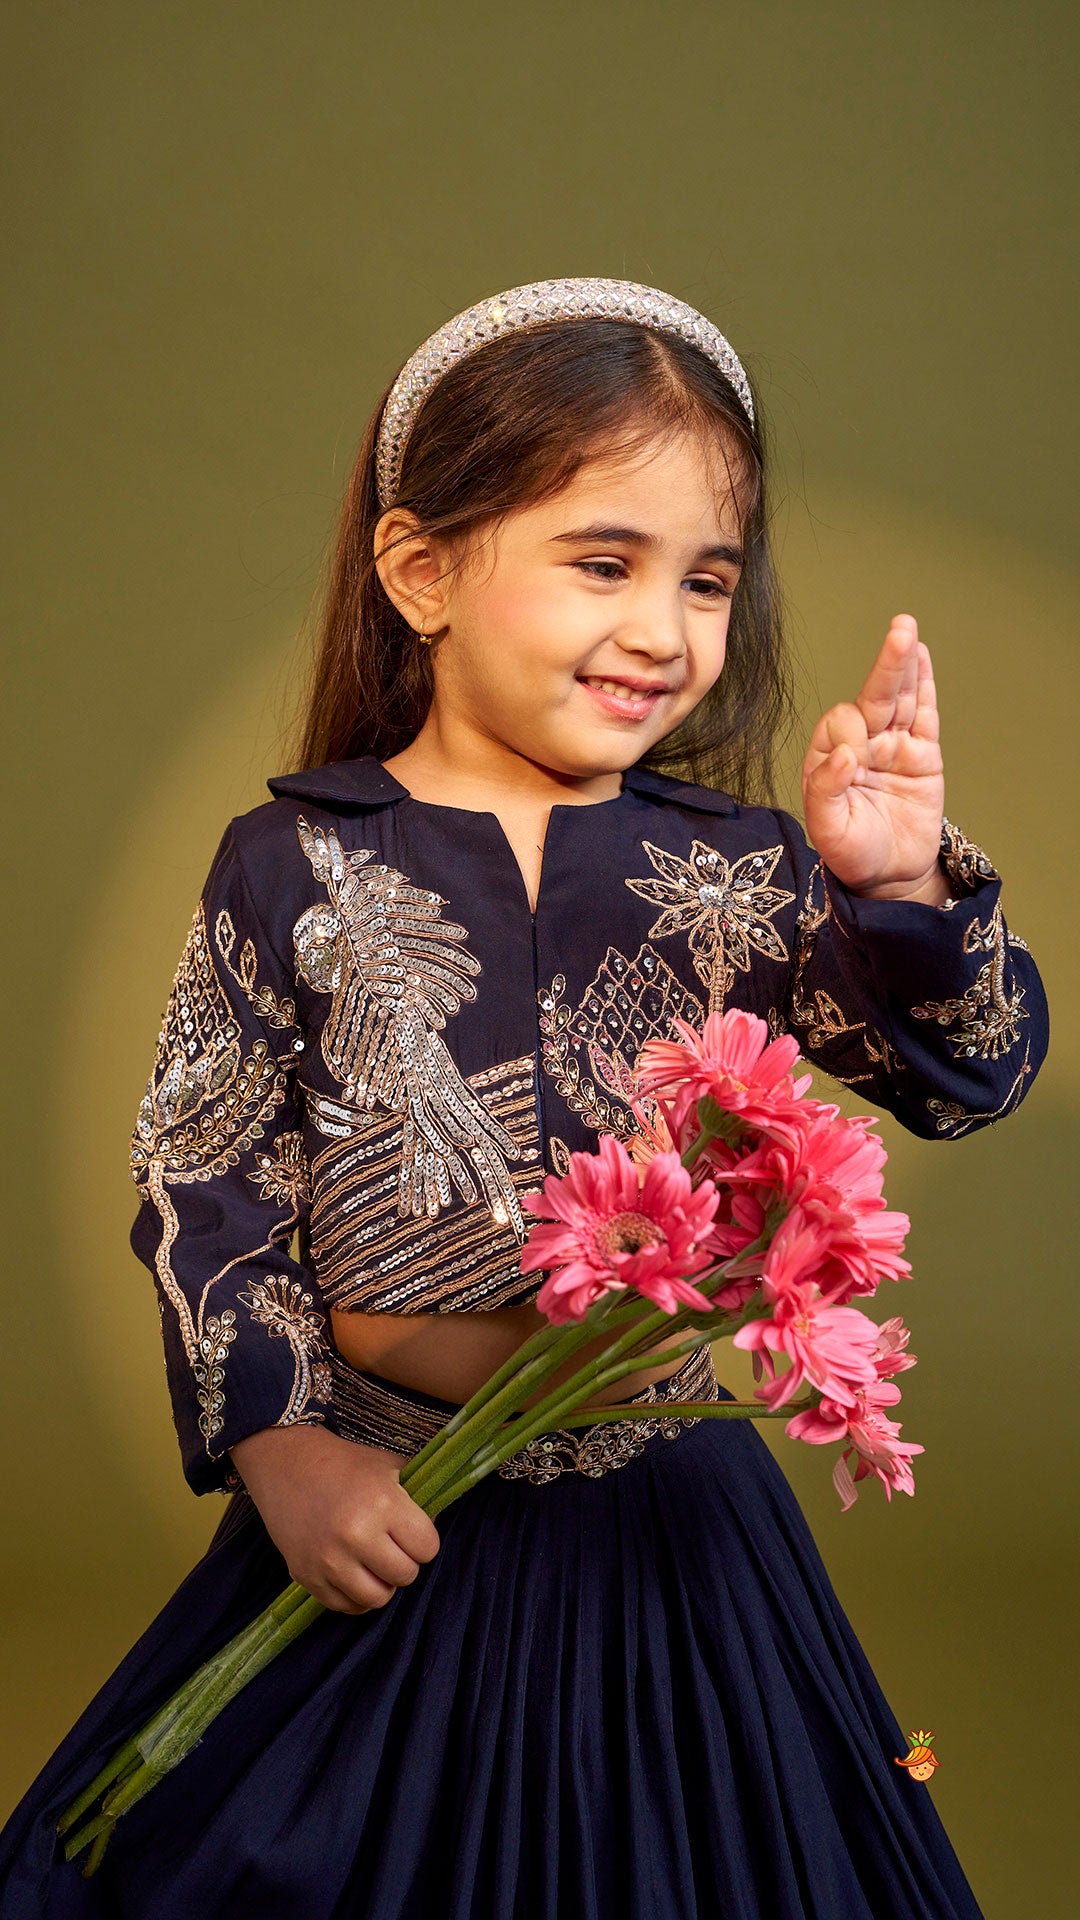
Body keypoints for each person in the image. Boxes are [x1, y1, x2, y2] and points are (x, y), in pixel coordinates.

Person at [0, 278, 1048, 1918]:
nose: (663, 630)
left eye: (706, 579)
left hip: (671, 1525)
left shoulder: (745, 871)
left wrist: (897, 886)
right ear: (421, 571)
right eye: (603, 563)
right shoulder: (298, 862)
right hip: (387, 1497)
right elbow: (204, 1181)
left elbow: (960, 1079)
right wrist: (283, 1450)